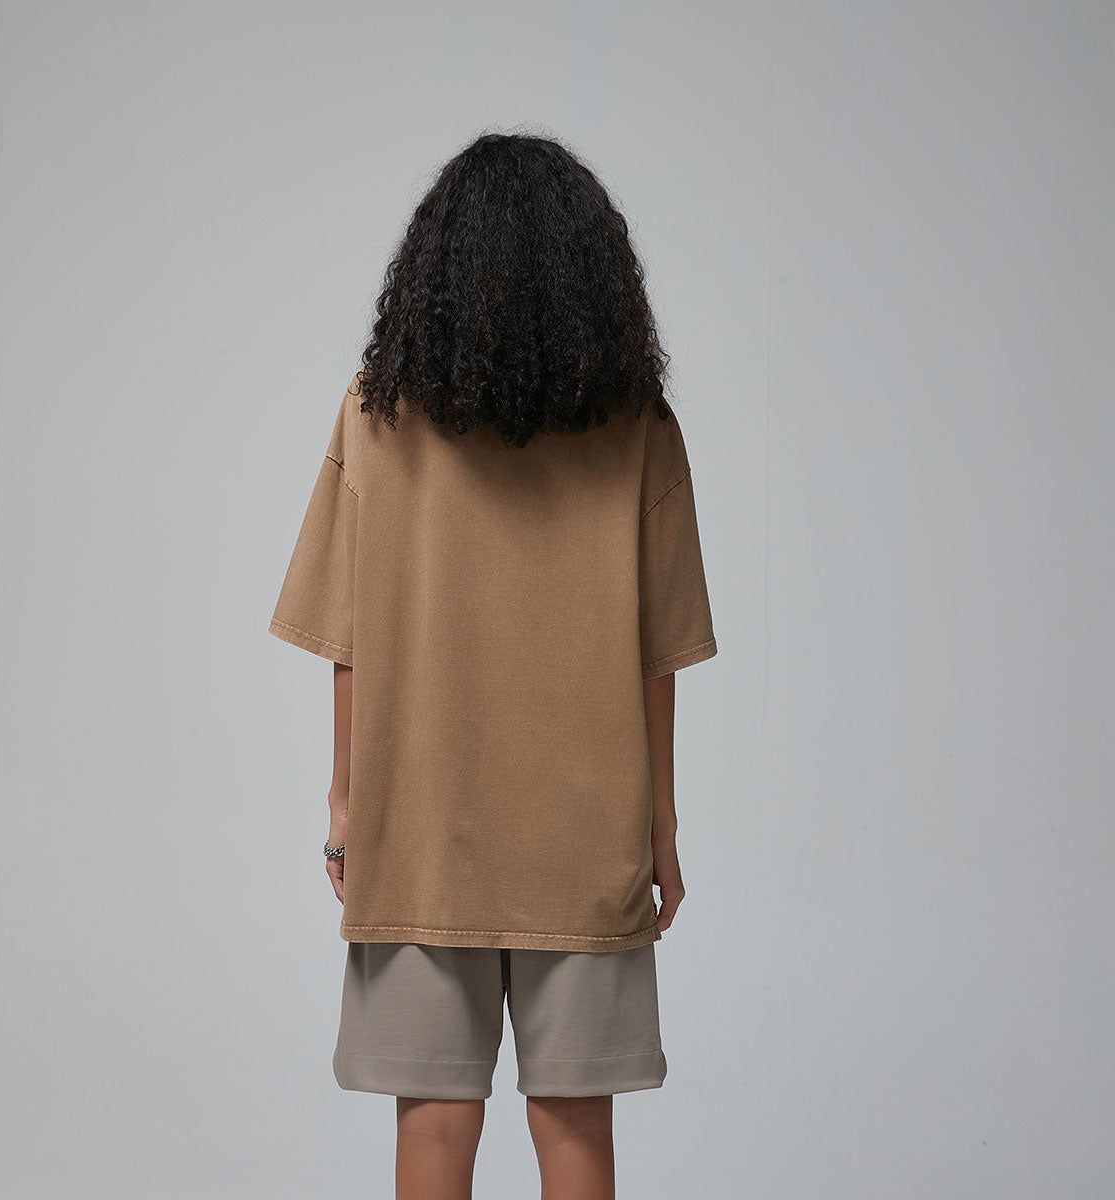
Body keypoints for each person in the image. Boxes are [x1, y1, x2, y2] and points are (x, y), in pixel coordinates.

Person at [267, 130, 717, 1200]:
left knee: (432, 1125)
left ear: (434, 267)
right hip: (587, 837)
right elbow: (658, 656)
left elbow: (347, 639)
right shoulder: (638, 426)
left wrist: (344, 804)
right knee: (575, 1126)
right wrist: (659, 828)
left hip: (421, 828)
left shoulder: (377, 413)